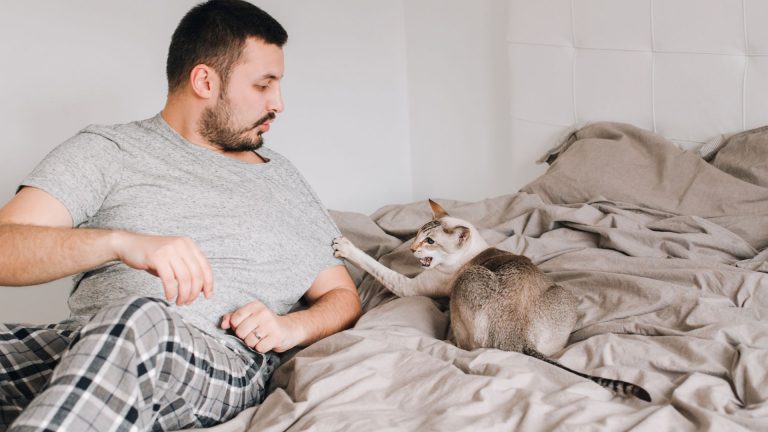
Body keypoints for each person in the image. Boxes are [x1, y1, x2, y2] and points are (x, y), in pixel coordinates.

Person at [0, 1, 361, 430]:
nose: (278, 103)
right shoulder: (106, 150)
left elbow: (342, 296)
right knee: (121, 329)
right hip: (83, 342)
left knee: (139, 318)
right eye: (264, 85)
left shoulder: (281, 179)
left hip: (215, 360)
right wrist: (119, 242)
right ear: (205, 81)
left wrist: (289, 328)